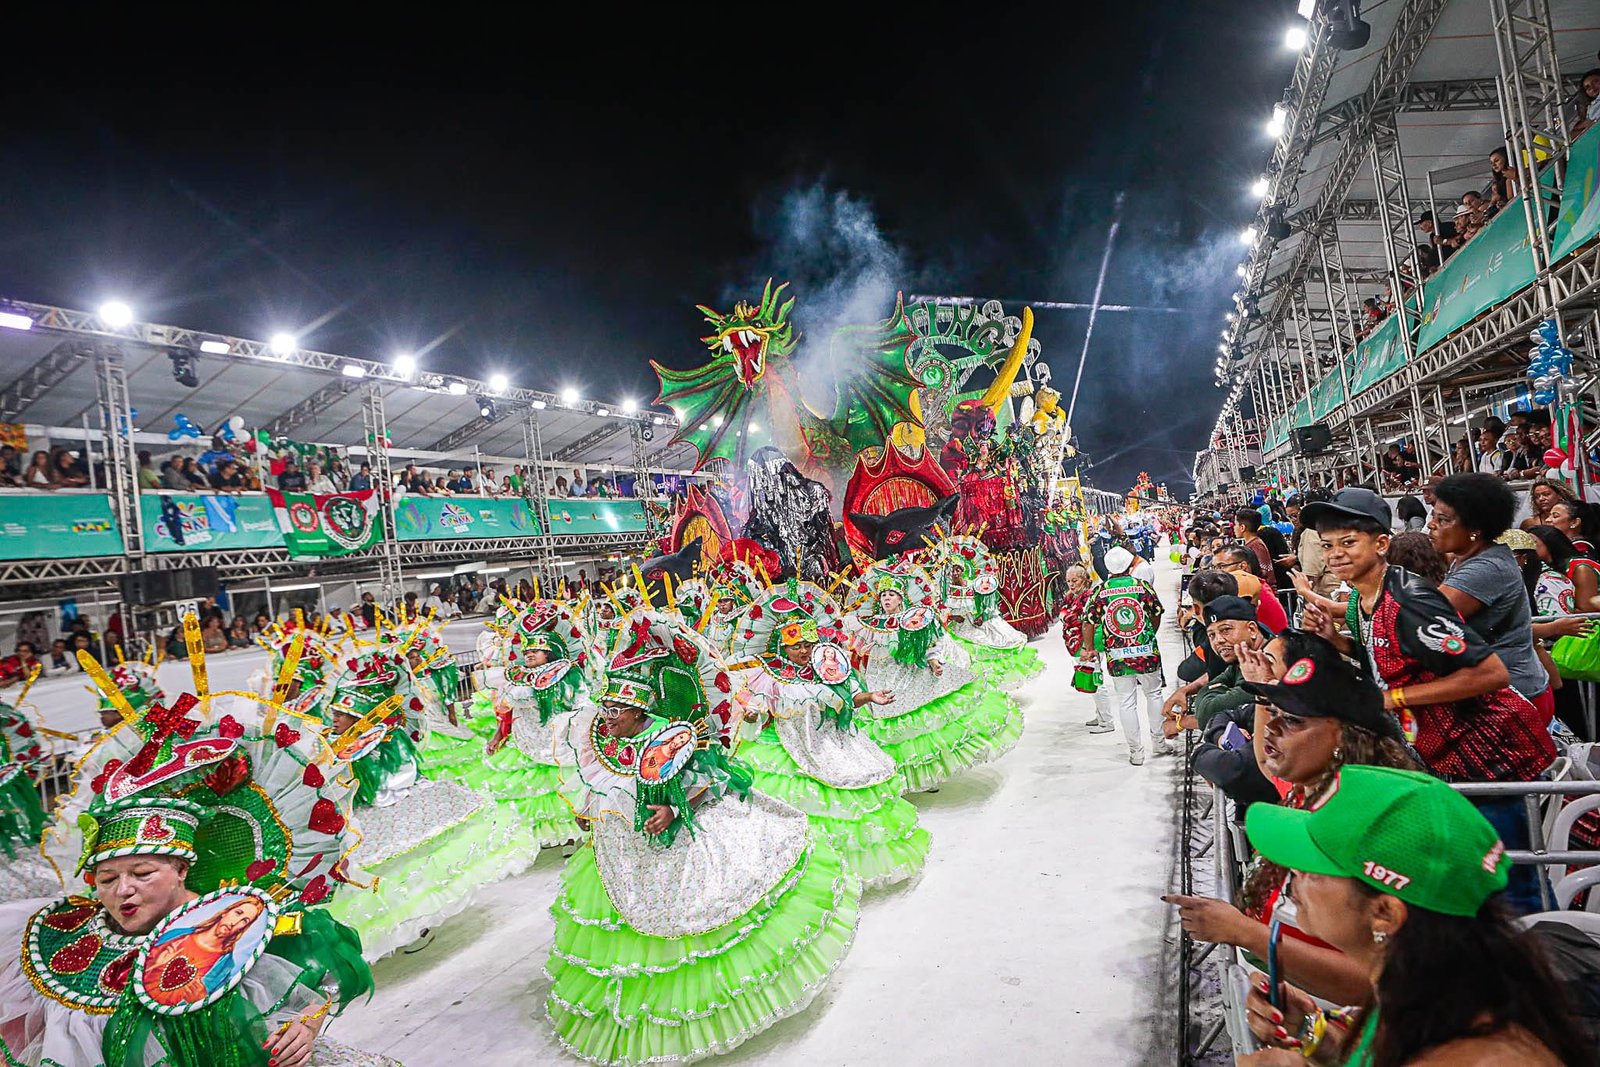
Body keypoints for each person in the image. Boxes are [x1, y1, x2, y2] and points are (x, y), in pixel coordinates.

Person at [1299, 487, 1555, 914]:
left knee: (1511, 883)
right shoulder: (1365, 601)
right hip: (1447, 755)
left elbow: (1492, 673)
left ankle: (1542, 968)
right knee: (1473, 878)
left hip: (1489, 760)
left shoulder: (1410, 598)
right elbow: (1388, 656)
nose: (1336, 554)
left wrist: (1389, 699)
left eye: (1348, 542)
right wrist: (1335, 640)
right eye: (1328, 545)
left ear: (1381, 544)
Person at [1238, 766, 1589, 1067]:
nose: (1294, 872)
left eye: (1315, 870)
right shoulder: (1430, 990)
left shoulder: (1485, 1053)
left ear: (1384, 914)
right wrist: (1315, 1036)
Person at [1167, 634, 1421, 1008]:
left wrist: (1248, 934)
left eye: (1293, 720)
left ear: (1343, 734)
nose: (1271, 726)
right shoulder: (1316, 785)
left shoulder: (1375, 820)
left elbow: (1377, 980)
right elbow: (1270, 764)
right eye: (1274, 711)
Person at [735, 580, 927, 888]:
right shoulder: (768, 675)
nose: (803, 651)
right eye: (796, 646)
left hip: (832, 741)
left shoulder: (826, 666)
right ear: (781, 647)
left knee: (853, 795)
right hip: (788, 747)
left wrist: (869, 697)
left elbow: (847, 697)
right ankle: (816, 873)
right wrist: (752, 715)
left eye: (808, 645)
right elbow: (757, 714)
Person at [1431, 473, 1551, 713]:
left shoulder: (1486, 568)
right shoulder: (1467, 559)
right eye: (1433, 516)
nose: (1431, 525)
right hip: (1501, 693)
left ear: (1475, 529)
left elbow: (1421, 614)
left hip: (1514, 699)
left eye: (1443, 519)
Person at [1180, 596, 1282, 815]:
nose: (1218, 641)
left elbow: (1210, 712)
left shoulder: (1264, 665)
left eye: (1226, 630)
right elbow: (1216, 710)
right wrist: (1221, 736)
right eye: (1212, 635)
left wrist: (1200, 747)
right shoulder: (1240, 659)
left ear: (1252, 628)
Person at [1079, 546, 1171, 765]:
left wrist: (1089, 647)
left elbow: (1088, 622)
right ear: (1130, 565)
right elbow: (1156, 614)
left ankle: (1136, 752)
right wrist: (1149, 635)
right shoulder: (1142, 587)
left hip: (1117, 655)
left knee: (1126, 701)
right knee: (1154, 695)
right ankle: (1159, 743)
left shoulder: (1100, 591)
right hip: (1146, 651)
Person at [1568, 67, 1600, 138]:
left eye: (1596, 81)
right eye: (1588, 87)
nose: (1592, 87)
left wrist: (1591, 123)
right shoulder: (1590, 107)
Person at [1488, 145, 1520, 210]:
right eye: (1491, 163)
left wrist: (1516, 177)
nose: (1494, 165)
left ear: (1506, 158)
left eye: (1496, 160)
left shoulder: (1521, 173)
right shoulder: (1498, 184)